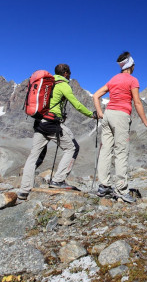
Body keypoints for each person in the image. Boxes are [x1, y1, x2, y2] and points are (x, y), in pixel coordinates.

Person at [18, 63, 95, 200]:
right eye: (69, 73)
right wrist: (91, 114)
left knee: (33, 156)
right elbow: (77, 104)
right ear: (65, 73)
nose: (70, 75)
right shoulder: (63, 85)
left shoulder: (48, 83)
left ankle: (24, 189)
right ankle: (58, 180)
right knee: (72, 148)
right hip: (52, 124)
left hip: (39, 123)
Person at [92, 52, 147, 203]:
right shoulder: (132, 80)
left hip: (108, 114)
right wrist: (146, 123)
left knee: (106, 149)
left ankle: (104, 185)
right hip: (121, 116)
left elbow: (95, 95)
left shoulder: (113, 79)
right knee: (121, 152)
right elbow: (137, 102)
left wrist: (100, 112)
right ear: (131, 66)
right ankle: (121, 189)